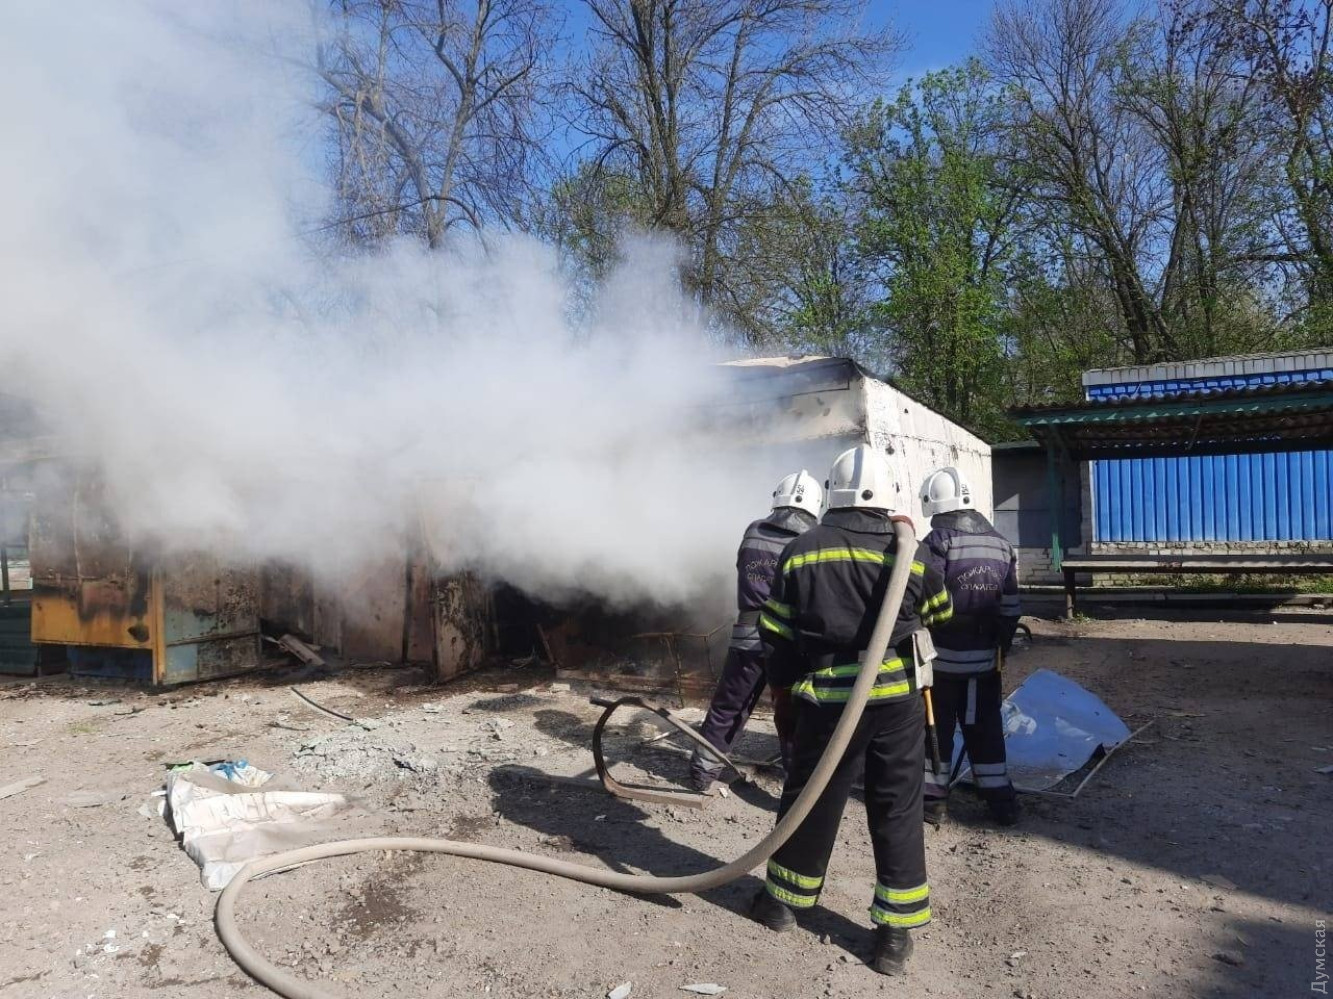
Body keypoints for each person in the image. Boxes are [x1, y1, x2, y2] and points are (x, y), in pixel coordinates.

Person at [750, 444, 953, 977]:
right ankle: (894, 937)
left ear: (832, 493)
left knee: (812, 799)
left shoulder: (801, 551)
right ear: (888, 496)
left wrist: (783, 693)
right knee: (897, 806)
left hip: (827, 699)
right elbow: (941, 612)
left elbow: (775, 632)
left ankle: (782, 905)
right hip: (896, 702)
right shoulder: (911, 553)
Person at [688, 470, 823, 793]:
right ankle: (798, 790)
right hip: (788, 643)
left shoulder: (753, 531)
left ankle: (702, 773)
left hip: (747, 637)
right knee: (792, 714)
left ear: (778, 498)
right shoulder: (811, 542)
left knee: (729, 706)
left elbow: (742, 568)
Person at [917, 466, 1022, 827]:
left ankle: (934, 802)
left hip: (942, 662)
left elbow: (923, 596)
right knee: (985, 727)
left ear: (935, 504)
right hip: (985, 663)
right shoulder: (1001, 544)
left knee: (936, 729)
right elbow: (1011, 607)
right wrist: (999, 647)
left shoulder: (937, 542)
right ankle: (1001, 801)